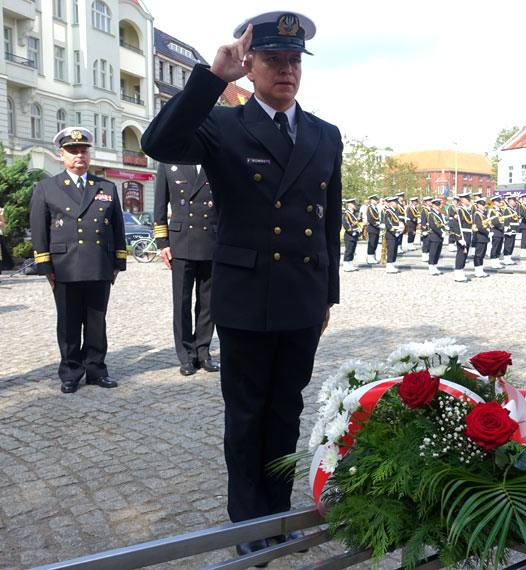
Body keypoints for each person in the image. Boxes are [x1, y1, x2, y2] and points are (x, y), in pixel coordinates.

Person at [140, 11, 342, 560]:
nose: (287, 70)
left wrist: (329, 294)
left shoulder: (325, 134)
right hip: (246, 296)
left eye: (294, 60)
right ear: (249, 66)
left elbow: (329, 220)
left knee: (286, 411)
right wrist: (211, 77)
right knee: (247, 413)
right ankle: (247, 522)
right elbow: (158, 141)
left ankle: (280, 515)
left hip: (302, 296)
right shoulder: (222, 125)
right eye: (274, 59)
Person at [29, 127, 126, 393]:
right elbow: (39, 230)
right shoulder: (47, 187)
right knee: (69, 322)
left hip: (99, 264)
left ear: (89, 155)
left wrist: (118, 262)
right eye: (72, 152)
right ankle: (70, 371)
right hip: (65, 266)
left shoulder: (106, 186)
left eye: (83, 151)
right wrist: (45, 267)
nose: (79, 156)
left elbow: (117, 227)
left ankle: (96, 369)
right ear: (62, 155)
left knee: (97, 321)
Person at [154, 162, 219, 376]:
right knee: (181, 302)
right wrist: (162, 242)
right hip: (180, 242)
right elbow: (159, 206)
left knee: (208, 302)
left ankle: (203, 351)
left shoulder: (215, 161)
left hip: (211, 240)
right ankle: (186, 355)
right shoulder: (168, 164)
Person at [452, 193, 473, 282]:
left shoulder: (466, 210)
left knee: (464, 254)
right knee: (461, 254)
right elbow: (456, 225)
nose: (469, 201)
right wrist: (459, 237)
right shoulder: (460, 210)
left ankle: (461, 272)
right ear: (463, 200)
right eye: (468, 199)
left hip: (467, 234)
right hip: (463, 235)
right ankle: (458, 273)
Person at [383, 196, 401, 274]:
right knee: (390, 250)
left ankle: (392, 264)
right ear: (390, 203)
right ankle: (389, 266)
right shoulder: (388, 211)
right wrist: (394, 232)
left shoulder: (395, 211)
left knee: (394, 250)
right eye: (395, 202)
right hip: (391, 234)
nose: (397, 204)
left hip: (396, 233)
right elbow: (388, 224)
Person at [473, 197, 489, 278]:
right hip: (479, 236)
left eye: (484, 204)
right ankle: (477, 270)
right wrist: (488, 232)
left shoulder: (483, 214)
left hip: (484, 237)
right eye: (482, 205)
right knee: (478, 254)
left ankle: (480, 269)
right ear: (478, 205)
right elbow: (479, 226)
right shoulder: (477, 214)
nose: (484, 206)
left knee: (482, 254)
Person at [427, 198, 444, 275]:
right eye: (436, 205)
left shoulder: (439, 214)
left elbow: (441, 224)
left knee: (438, 252)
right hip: (434, 235)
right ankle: (431, 267)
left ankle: (435, 266)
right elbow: (433, 226)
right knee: (433, 252)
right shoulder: (431, 214)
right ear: (433, 205)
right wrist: (441, 232)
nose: (438, 207)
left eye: (439, 205)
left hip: (439, 236)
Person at [342, 198, 360, 271]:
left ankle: (350, 263)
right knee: (348, 250)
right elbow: (346, 224)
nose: (355, 205)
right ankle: (346, 264)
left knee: (352, 250)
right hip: (349, 235)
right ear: (348, 204)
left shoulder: (353, 213)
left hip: (354, 234)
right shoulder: (347, 213)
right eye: (353, 203)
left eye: (354, 203)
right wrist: (352, 232)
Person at [488, 195, 504, 269]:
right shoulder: (492, 211)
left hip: (500, 231)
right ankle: (493, 262)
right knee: (495, 247)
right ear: (494, 202)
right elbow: (495, 222)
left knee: (499, 247)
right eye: (498, 201)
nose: (500, 203)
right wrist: (502, 226)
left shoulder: (500, 210)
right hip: (495, 230)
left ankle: (497, 261)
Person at [502, 194, 518, 266]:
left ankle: (509, 257)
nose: (515, 202)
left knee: (512, 244)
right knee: (508, 244)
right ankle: (506, 258)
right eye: (514, 201)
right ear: (510, 201)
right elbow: (506, 219)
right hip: (509, 228)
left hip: (514, 228)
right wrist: (507, 229)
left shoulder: (512, 209)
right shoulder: (507, 209)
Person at [366, 194, 381, 264]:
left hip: (376, 229)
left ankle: (373, 257)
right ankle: (370, 258)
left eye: (377, 200)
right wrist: (377, 224)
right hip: (372, 228)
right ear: (371, 200)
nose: (376, 201)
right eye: (375, 200)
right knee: (371, 244)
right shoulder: (370, 208)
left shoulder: (375, 208)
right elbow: (370, 219)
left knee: (375, 243)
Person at [420, 196, 432, 262]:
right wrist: (424, 230)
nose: (431, 202)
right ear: (426, 202)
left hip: (430, 228)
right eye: (429, 201)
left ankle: (427, 254)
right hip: (426, 228)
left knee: (429, 242)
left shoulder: (429, 209)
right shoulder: (424, 209)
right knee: (426, 243)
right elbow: (423, 220)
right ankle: (424, 255)